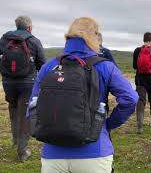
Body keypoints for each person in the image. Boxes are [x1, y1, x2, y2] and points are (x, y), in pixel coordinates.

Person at [28, 17, 138, 173]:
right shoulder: (105, 66)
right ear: (95, 36)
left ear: (69, 36)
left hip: (53, 155)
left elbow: (32, 106)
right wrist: (107, 124)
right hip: (95, 152)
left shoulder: (49, 67)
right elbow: (130, 99)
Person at [0, 16, 46, 161]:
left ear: (16, 25)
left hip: (8, 82)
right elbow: (42, 63)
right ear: (29, 27)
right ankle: (22, 150)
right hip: (27, 82)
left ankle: (15, 141)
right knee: (24, 114)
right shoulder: (34, 41)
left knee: (13, 109)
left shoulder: (4, 39)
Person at [133, 32, 151, 134]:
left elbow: (134, 67)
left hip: (140, 80)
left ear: (143, 39)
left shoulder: (137, 51)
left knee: (141, 102)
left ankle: (140, 126)